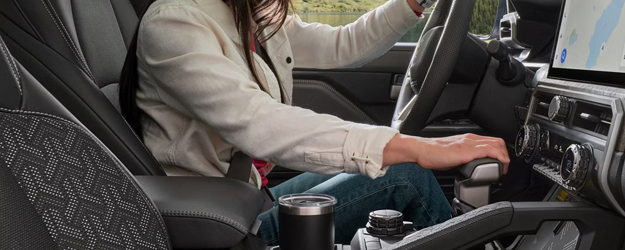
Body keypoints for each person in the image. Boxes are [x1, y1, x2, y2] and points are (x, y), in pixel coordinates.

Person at [134, 0, 511, 245]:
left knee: (404, 167)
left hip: (252, 200)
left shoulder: (249, 14)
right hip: (222, 229)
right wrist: (415, 146)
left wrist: (411, 3)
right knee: (406, 174)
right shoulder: (176, 24)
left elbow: (344, 43)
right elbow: (260, 123)